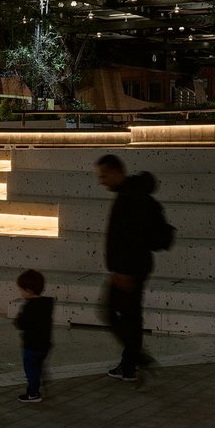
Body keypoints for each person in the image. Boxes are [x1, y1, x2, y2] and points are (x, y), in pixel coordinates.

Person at [95, 154, 158, 383]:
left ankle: (134, 359)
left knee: (116, 314)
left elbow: (131, 238)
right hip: (128, 269)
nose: (101, 181)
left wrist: (124, 271)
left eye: (103, 175)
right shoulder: (128, 194)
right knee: (129, 317)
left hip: (129, 270)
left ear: (116, 171)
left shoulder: (130, 197)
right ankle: (131, 362)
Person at [14, 269, 54, 403]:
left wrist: (19, 317)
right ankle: (40, 381)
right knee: (38, 365)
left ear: (29, 290)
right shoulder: (47, 305)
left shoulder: (29, 307)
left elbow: (21, 324)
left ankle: (33, 393)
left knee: (30, 369)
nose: (21, 293)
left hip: (31, 346)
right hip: (45, 345)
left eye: (22, 290)